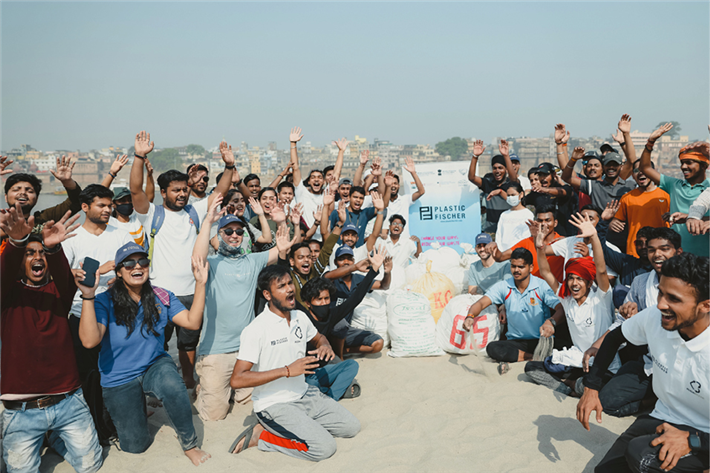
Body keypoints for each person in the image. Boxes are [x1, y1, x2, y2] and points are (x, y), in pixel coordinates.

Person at [76, 242, 211, 465]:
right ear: (118, 272)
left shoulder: (162, 296)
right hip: (119, 376)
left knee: (173, 386)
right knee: (136, 446)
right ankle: (134, 406)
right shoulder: (103, 300)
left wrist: (200, 284)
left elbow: (192, 322)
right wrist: (88, 295)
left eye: (143, 261)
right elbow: (90, 341)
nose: (137, 266)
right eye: (128, 263)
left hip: (154, 365)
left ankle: (190, 445)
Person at [577, 253, 709, 473]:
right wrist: (592, 387)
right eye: (661, 293)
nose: (661, 304)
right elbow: (614, 337)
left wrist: (693, 440)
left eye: (674, 299)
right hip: (663, 415)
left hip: (704, 434)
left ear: (705, 305)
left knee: (641, 456)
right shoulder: (655, 318)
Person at [0, 205, 103, 473]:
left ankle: (54, 437)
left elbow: (64, 275)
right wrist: (16, 242)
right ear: (20, 260)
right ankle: (44, 436)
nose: (38, 257)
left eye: (42, 254)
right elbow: (4, 271)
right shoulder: (6, 296)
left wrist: (54, 248)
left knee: (91, 465)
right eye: (30, 253)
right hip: (21, 410)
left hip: (69, 401)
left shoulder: (60, 291)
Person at [130, 131, 236, 389]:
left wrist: (229, 166)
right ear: (163, 192)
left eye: (184, 190)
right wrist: (139, 157)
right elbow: (135, 189)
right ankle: (154, 385)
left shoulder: (195, 210)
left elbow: (220, 192)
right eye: (175, 190)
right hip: (159, 293)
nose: (182, 194)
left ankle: (188, 381)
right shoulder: (151, 213)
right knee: (156, 342)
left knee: (188, 343)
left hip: (192, 292)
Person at [229, 265, 361, 461]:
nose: (290, 289)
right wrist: (286, 371)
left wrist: (324, 345)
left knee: (352, 427)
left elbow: (318, 337)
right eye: (281, 286)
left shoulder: (300, 317)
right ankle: (262, 436)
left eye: (290, 283)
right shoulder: (256, 329)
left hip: (304, 394)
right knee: (324, 448)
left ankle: (303, 426)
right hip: (274, 404)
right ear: (267, 294)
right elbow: (237, 379)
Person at [192, 197, 297, 421]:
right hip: (216, 351)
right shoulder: (211, 263)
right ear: (219, 234)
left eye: (239, 231)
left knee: (252, 405)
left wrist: (281, 222)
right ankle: (204, 388)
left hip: (247, 351)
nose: (234, 235)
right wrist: (208, 222)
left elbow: (281, 248)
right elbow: (197, 258)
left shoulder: (253, 260)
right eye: (228, 231)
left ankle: (224, 390)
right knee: (215, 415)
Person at [588, 227, 683, 419]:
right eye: (652, 249)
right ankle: (652, 400)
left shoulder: (694, 283)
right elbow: (621, 323)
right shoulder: (641, 283)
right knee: (607, 403)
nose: (657, 254)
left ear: (678, 252)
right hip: (652, 360)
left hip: (685, 365)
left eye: (664, 249)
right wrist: (597, 345)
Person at [62, 184, 133, 442]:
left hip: (117, 312)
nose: (107, 209)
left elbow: (134, 267)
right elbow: (60, 274)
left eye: (109, 205)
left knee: (117, 369)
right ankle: (94, 426)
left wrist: (120, 277)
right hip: (82, 312)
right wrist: (90, 272)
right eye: (101, 205)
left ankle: (118, 419)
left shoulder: (121, 234)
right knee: (88, 373)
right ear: (85, 207)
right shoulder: (72, 238)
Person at [525, 214, 617, 397]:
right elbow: (545, 272)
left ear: (589, 283)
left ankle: (574, 385)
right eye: (571, 278)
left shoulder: (601, 297)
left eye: (580, 279)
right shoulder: (567, 299)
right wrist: (539, 246)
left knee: (592, 383)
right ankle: (569, 386)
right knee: (532, 368)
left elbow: (600, 269)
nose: (574, 283)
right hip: (577, 360)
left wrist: (594, 237)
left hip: (602, 365)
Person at [298, 246, 387, 400]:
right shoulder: (300, 316)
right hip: (305, 367)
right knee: (314, 384)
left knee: (352, 366)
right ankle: (327, 392)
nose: (324, 303)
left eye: (326, 298)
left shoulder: (331, 314)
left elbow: (355, 299)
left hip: (325, 361)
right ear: (308, 303)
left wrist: (373, 270)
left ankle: (329, 396)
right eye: (319, 299)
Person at [463, 247, 564, 374]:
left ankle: (521, 357)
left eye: (521, 267)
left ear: (531, 267)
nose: (516, 270)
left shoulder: (541, 285)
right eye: (513, 266)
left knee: (565, 347)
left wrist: (551, 322)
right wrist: (470, 316)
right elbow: (481, 303)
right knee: (492, 348)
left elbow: (561, 308)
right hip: (516, 342)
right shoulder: (504, 286)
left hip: (541, 340)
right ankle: (532, 357)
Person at [639, 123, 709, 256]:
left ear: (704, 166)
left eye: (689, 162)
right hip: (678, 257)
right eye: (682, 163)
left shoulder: (709, 188)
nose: (683, 167)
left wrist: (688, 218)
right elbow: (645, 168)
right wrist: (650, 142)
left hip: (705, 257)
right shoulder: (674, 185)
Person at [1, 155, 82, 254]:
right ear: (6, 197)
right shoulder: (2, 222)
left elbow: (76, 202)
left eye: (29, 191)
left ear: (36, 198)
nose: (22, 193)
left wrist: (67, 181)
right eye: (16, 190)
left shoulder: (43, 220)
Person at [329, 244, 391, 358]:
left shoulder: (357, 279)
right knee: (340, 324)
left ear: (353, 260)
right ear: (335, 262)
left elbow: (383, 286)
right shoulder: (332, 278)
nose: (346, 262)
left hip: (346, 331)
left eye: (349, 259)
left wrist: (387, 272)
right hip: (329, 330)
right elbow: (326, 277)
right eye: (342, 259)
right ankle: (338, 356)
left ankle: (342, 351)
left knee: (378, 343)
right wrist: (355, 267)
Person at [488, 205, 566, 284]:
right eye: (540, 220)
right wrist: (494, 247)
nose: (543, 224)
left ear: (555, 223)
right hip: (532, 290)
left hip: (555, 290)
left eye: (547, 220)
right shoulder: (528, 242)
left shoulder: (563, 243)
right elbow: (500, 257)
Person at [608, 159, 669, 258]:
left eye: (644, 169)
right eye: (636, 170)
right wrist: (612, 223)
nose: (640, 173)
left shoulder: (666, 196)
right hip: (635, 253)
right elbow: (616, 221)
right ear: (632, 175)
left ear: (653, 172)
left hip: (661, 251)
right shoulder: (627, 198)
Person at [468, 139, 517, 233]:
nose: (497, 171)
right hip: (491, 231)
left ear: (506, 170)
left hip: (508, 230)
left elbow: (514, 179)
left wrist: (506, 156)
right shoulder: (488, 183)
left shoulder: (510, 185)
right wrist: (475, 156)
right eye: (495, 168)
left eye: (500, 168)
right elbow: (472, 177)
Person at [209, 189, 270, 255]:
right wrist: (227, 221)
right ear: (226, 206)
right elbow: (217, 245)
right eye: (236, 201)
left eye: (242, 201)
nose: (241, 204)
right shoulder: (216, 224)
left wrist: (261, 214)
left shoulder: (246, 224)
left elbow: (267, 239)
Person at [522, 162, 575, 236]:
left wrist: (545, 190)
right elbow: (520, 202)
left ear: (554, 174)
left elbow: (563, 192)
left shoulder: (563, 188)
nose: (543, 178)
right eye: (540, 175)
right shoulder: (536, 193)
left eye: (545, 175)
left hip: (563, 235)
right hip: (543, 236)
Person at [384, 157, 426, 238]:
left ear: (399, 186)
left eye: (395, 183)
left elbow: (421, 191)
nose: (393, 186)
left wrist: (413, 173)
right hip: (387, 241)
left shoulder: (405, 200)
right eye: (390, 183)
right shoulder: (382, 202)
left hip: (404, 240)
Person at [494, 181, 534, 252]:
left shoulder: (528, 214)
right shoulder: (504, 215)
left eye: (513, 195)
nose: (510, 197)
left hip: (519, 253)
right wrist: (500, 251)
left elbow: (526, 236)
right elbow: (499, 235)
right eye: (508, 195)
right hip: (503, 252)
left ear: (521, 194)